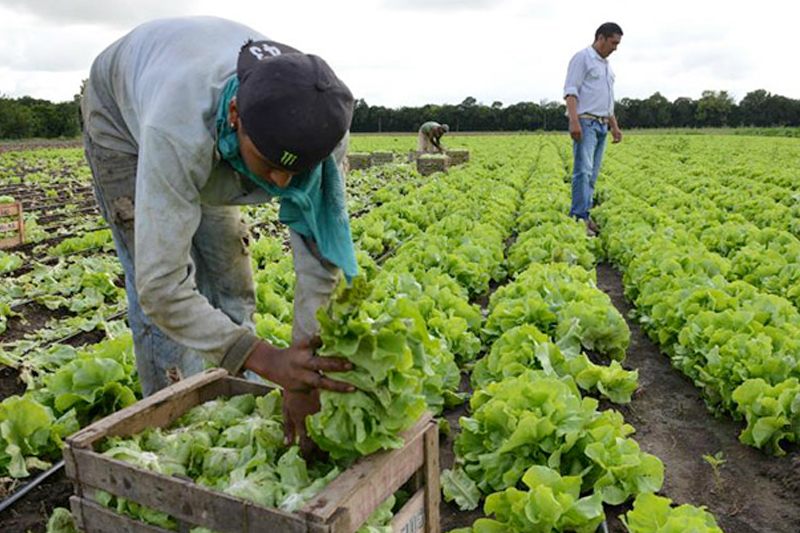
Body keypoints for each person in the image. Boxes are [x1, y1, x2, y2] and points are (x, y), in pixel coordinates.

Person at [81, 16, 358, 453]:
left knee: (231, 278)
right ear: (235, 116)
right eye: (270, 165)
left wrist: (301, 373)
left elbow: (321, 258)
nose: (281, 184)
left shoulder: (322, 128)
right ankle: (174, 431)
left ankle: (240, 398)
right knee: (164, 310)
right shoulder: (176, 128)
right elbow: (162, 287)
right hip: (124, 123)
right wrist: (268, 358)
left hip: (214, 126)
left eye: (296, 171)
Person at [563, 22, 623, 236]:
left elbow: (607, 101)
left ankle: (585, 215)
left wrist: (614, 126)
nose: (615, 48)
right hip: (586, 122)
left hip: (602, 125)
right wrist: (574, 121)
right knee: (583, 171)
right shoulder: (583, 58)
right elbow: (571, 91)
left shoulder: (606, 66)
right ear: (601, 38)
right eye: (613, 43)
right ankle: (579, 216)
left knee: (593, 174)